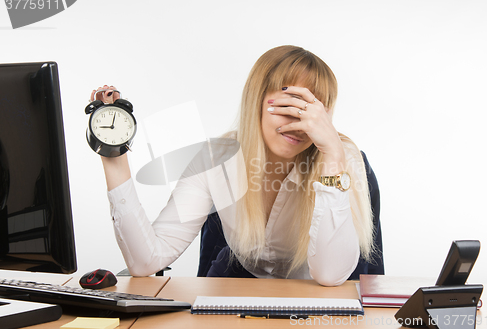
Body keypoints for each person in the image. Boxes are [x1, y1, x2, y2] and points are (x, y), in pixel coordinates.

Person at [91, 45, 376, 286]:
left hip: (313, 295)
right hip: (235, 287)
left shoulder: (342, 158)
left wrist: (333, 158)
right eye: (290, 103)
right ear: (257, 99)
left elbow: (330, 275)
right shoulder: (215, 159)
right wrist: (113, 152)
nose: (299, 123)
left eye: (312, 110)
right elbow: (145, 260)